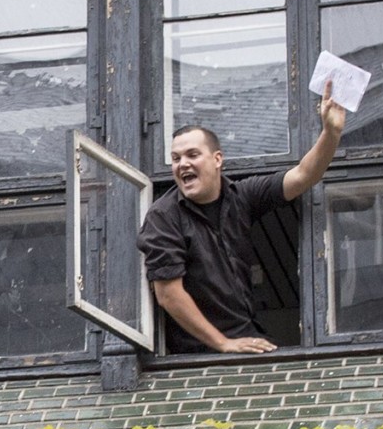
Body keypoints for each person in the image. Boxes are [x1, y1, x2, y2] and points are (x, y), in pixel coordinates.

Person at [139, 97, 349, 353]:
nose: (182, 164)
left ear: (217, 159)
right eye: (175, 158)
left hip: (246, 340)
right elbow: (168, 294)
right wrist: (222, 343)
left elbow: (304, 175)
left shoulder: (242, 196)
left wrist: (331, 132)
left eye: (192, 155)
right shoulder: (163, 216)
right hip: (194, 357)